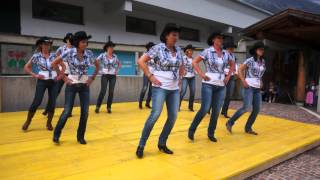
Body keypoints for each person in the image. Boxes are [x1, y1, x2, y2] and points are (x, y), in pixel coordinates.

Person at [136, 25, 185, 158]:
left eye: (177, 35)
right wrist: (151, 76)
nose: (176, 38)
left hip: (174, 89)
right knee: (155, 115)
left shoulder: (179, 50)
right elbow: (141, 61)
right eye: (173, 35)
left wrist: (180, 79)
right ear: (166, 35)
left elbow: (182, 66)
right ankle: (141, 145)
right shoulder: (157, 48)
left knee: (173, 117)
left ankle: (162, 143)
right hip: (160, 87)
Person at [52, 31, 99, 144]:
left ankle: (80, 137)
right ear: (77, 42)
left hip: (84, 86)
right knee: (67, 111)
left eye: (86, 42)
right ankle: (56, 134)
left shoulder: (89, 53)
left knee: (85, 112)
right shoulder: (68, 52)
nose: (85, 44)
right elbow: (54, 63)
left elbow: (98, 66)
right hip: (71, 84)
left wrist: (92, 78)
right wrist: (64, 77)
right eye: (83, 42)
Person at [188, 32, 235, 142]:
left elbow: (232, 65)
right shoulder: (207, 51)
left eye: (221, 38)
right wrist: (201, 74)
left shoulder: (225, 53)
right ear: (213, 40)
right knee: (204, 109)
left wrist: (228, 77)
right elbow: (194, 62)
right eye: (218, 38)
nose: (220, 40)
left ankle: (211, 133)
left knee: (216, 111)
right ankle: (192, 129)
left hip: (221, 85)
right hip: (208, 84)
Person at [226, 41, 266, 135]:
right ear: (255, 50)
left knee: (257, 109)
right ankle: (230, 122)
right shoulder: (250, 60)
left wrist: (261, 81)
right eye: (260, 49)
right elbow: (239, 69)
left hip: (257, 89)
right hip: (249, 87)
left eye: (263, 49)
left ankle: (248, 128)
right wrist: (243, 81)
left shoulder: (263, 61)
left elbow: (259, 74)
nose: (262, 51)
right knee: (246, 107)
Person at [22, 37, 62, 131]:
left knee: (52, 102)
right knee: (37, 101)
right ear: (41, 45)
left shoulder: (54, 55)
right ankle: (28, 121)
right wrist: (35, 75)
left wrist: (60, 75)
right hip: (42, 81)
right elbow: (26, 67)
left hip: (54, 81)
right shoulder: (36, 56)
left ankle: (49, 123)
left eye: (48, 44)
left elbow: (63, 66)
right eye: (44, 44)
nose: (46, 46)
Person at [42, 33, 74, 117]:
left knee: (70, 93)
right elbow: (55, 58)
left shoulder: (75, 49)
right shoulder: (61, 48)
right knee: (55, 91)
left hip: (71, 72)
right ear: (66, 40)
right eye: (68, 39)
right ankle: (48, 109)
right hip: (61, 72)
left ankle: (68, 111)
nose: (70, 41)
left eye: (72, 39)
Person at [95, 40, 121, 114]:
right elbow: (96, 61)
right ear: (107, 48)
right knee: (103, 91)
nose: (111, 49)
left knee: (111, 92)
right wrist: (99, 70)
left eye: (112, 47)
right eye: (110, 47)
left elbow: (119, 64)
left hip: (113, 76)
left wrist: (117, 71)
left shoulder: (115, 56)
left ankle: (109, 107)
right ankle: (98, 106)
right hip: (105, 75)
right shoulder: (102, 55)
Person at [221, 38, 237, 118]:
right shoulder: (222, 54)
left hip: (231, 76)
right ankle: (211, 108)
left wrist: (235, 71)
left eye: (233, 48)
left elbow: (234, 66)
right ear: (226, 48)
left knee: (229, 95)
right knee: (219, 94)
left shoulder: (233, 56)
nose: (232, 49)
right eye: (230, 48)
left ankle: (224, 111)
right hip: (223, 76)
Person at [138, 42, 155, 109]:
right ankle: (140, 102)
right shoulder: (145, 55)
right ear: (148, 48)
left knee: (151, 90)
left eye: (153, 48)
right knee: (144, 88)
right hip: (146, 74)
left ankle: (147, 103)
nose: (152, 49)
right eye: (151, 47)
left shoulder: (155, 56)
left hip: (153, 75)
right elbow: (140, 62)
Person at [179, 44, 196, 112]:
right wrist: (183, 71)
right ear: (187, 51)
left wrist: (196, 71)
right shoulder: (183, 58)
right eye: (190, 50)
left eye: (192, 50)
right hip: (185, 77)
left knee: (193, 92)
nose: (192, 51)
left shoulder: (193, 59)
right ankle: (177, 106)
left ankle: (190, 107)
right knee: (183, 91)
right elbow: (179, 66)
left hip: (192, 77)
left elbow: (195, 66)